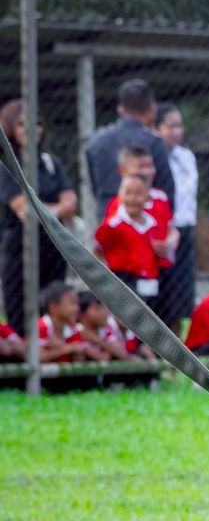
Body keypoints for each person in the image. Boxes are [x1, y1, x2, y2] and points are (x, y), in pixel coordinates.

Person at [0, 98, 76, 334]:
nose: (32, 129)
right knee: (21, 317)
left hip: (53, 246)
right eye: (23, 124)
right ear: (11, 128)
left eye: (37, 123)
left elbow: (71, 203)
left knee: (52, 311)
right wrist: (56, 209)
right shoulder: (6, 165)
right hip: (20, 250)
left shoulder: (50, 162)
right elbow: (23, 209)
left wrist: (44, 211)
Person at [83, 78, 174, 211]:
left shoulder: (96, 141)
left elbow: (95, 187)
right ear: (151, 106)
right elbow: (166, 190)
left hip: (108, 214)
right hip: (145, 217)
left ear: (121, 109)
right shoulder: (154, 142)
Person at [151, 103, 200, 330]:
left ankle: (179, 344)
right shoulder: (153, 157)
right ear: (156, 128)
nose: (177, 132)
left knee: (183, 294)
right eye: (170, 127)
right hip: (163, 234)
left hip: (185, 229)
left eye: (179, 126)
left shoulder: (187, 156)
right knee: (164, 295)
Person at [93, 174, 167, 311]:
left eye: (138, 193)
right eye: (128, 193)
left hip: (148, 281)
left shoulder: (152, 223)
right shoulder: (114, 224)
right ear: (120, 195)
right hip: (124, 279)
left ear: (147, 197)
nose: (132, 198)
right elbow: (98, 247)